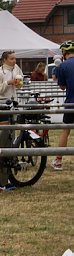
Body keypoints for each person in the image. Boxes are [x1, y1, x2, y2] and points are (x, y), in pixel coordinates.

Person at [53, 40, 74, 171]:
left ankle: (58, 161)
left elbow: (61, 87)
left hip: (71, 103)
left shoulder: (62, 66)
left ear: (64, 53)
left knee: (65, 131)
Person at [0, 50, 24, 124]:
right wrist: (7, 83)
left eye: (15, 59)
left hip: (15, 102)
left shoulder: (16, 67)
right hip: (3, 104)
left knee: (15, 127)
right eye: (12, 59)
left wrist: (19, 84)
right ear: (4, 60)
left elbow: (21, 79)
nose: (14, 61)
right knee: (5, 130)